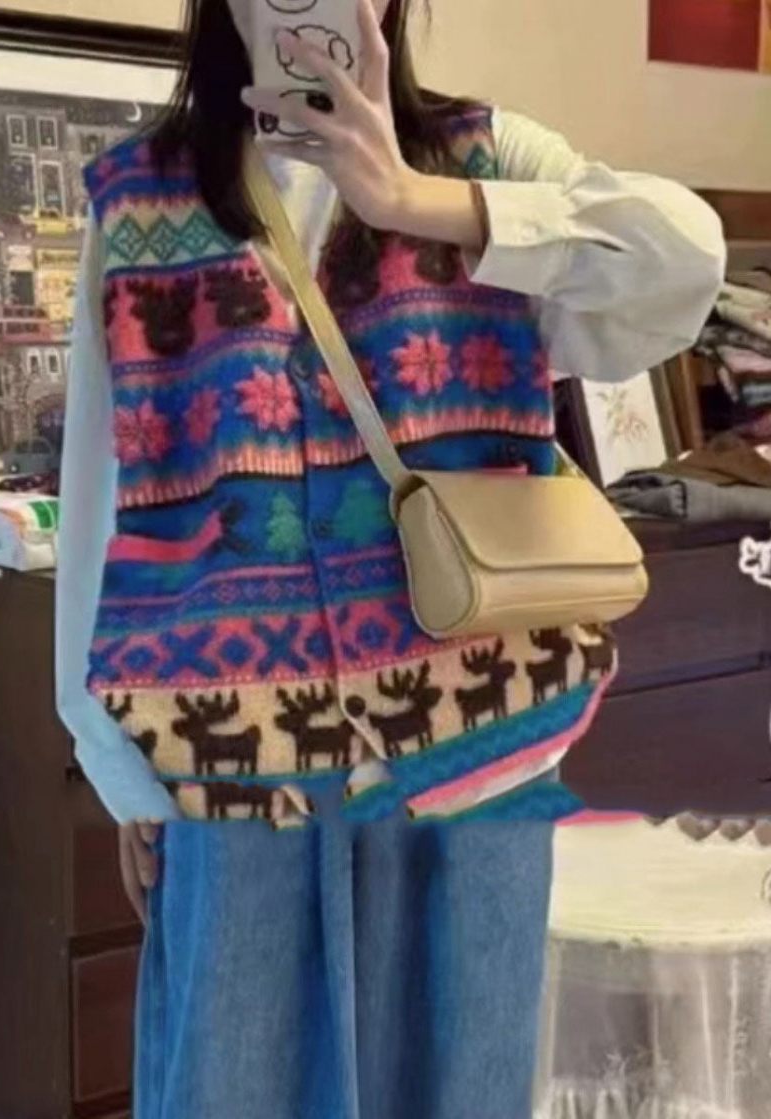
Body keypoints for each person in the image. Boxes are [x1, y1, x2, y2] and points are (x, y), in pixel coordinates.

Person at [55, 0, 725, 1115]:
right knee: (232, 1086)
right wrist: (123, 769)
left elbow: (683, 263)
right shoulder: (137, 201)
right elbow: (101, 490)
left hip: (476, 758)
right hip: (235, 767)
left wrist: (417, 202)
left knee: (458, 1087)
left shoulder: (486, 161)